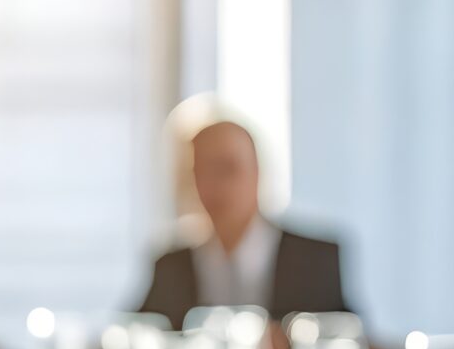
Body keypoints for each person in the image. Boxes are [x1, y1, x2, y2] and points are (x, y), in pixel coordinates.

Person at [137, 107, 352, 330]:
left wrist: (290, 340)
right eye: (202, 170)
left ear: (257, 172)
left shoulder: (316, 262)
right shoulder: (170, 267)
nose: (216, 184)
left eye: (228, 168)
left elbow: (350, 339)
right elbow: (135, 333)